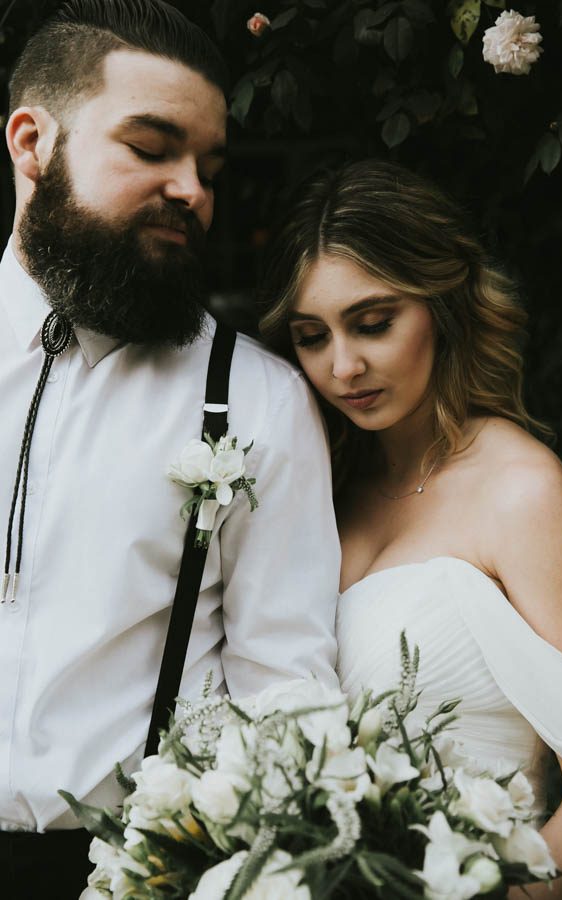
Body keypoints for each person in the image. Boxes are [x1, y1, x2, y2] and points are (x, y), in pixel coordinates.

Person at [0, 2, 340, 896]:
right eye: (151, 149)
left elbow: (285, 697)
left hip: (130, 872)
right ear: (32, 143)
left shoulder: (259, 400)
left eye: (207, 167)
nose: (192, 190)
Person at [258, 159, 562, 899]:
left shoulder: (523, 492)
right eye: (312, 336)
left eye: (373, 323)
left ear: (442, 306)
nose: (344, 366)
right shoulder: (321, 496)